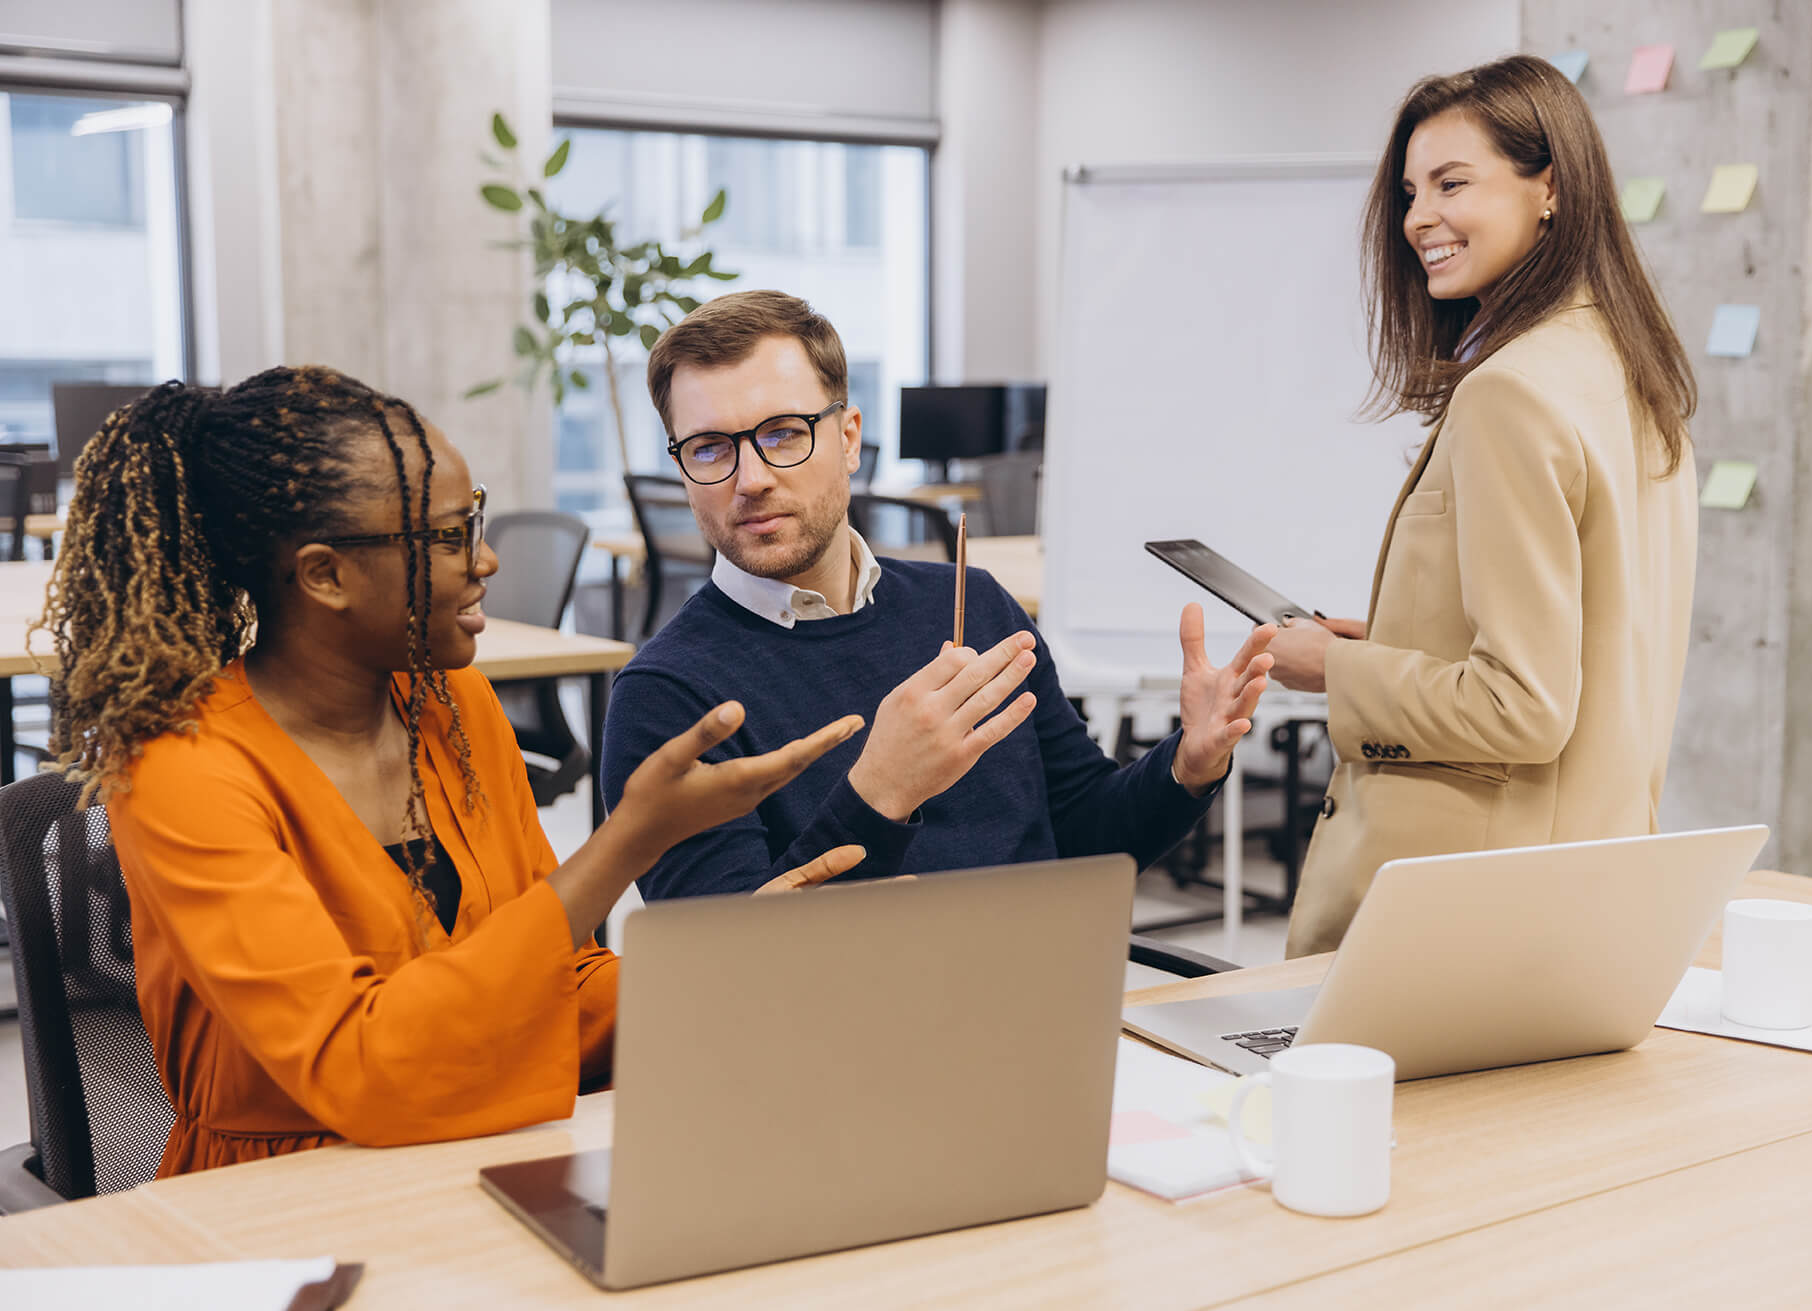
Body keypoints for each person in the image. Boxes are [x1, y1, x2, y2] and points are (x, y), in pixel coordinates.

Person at [41, 367, 864, 1175]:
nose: (487, 560)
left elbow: (552, 984)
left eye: (471, 522)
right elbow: (359, 1068)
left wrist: (727, 968)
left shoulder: (451, 706)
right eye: (445, 537)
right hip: (284, 1199)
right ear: (325, 574)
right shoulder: (184, 769)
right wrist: (628, 841)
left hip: (484, 1150)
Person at [601, 291, 1274, 900]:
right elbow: (729, 974)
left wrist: (1184, 765)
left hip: (1042, 1006)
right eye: (711, 448)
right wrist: (881, 790)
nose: (750, 478)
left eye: (782, 433)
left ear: (849, 437)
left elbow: (1083, 836)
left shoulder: (973, 604)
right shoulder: (666, 698)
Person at [1266, 55, 1700, 956]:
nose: (1421, 217)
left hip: (1467, 902)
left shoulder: (1511, 392)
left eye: (1453, 183)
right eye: (1411, 191)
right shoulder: (1632, 377)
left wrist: (1335, 673)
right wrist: (1387, 650)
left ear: (1551, 188)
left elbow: (1523, 706)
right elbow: (1588, 659)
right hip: (1586, 883)